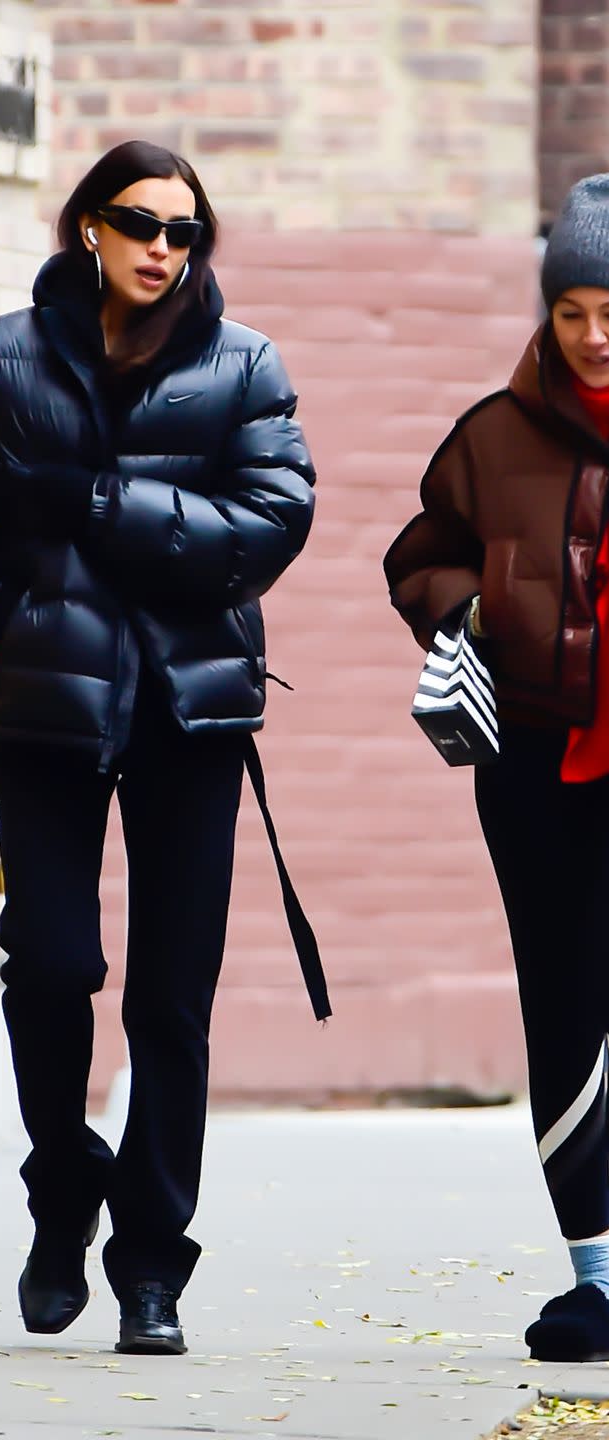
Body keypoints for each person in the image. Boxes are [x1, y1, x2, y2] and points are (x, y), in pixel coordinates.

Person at [0, 140, 327, 1356]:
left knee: (172, 1000)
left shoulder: (241, 366)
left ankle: (152, 1267)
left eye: (184, 231)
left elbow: (269, 523)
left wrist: (102, 504)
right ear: (88, 230)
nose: (163, 249)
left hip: (190, 718)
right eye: (140, 224)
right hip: (45, 714)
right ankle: (61, 1183)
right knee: (52, 968)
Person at [384, 174, 609, 1363]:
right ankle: (593, 1273)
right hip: (530, 764)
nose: (591, 333)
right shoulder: (491, 434)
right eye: (571, 308)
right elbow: (416, 555)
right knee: (561, 1001)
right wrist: (471, 605)